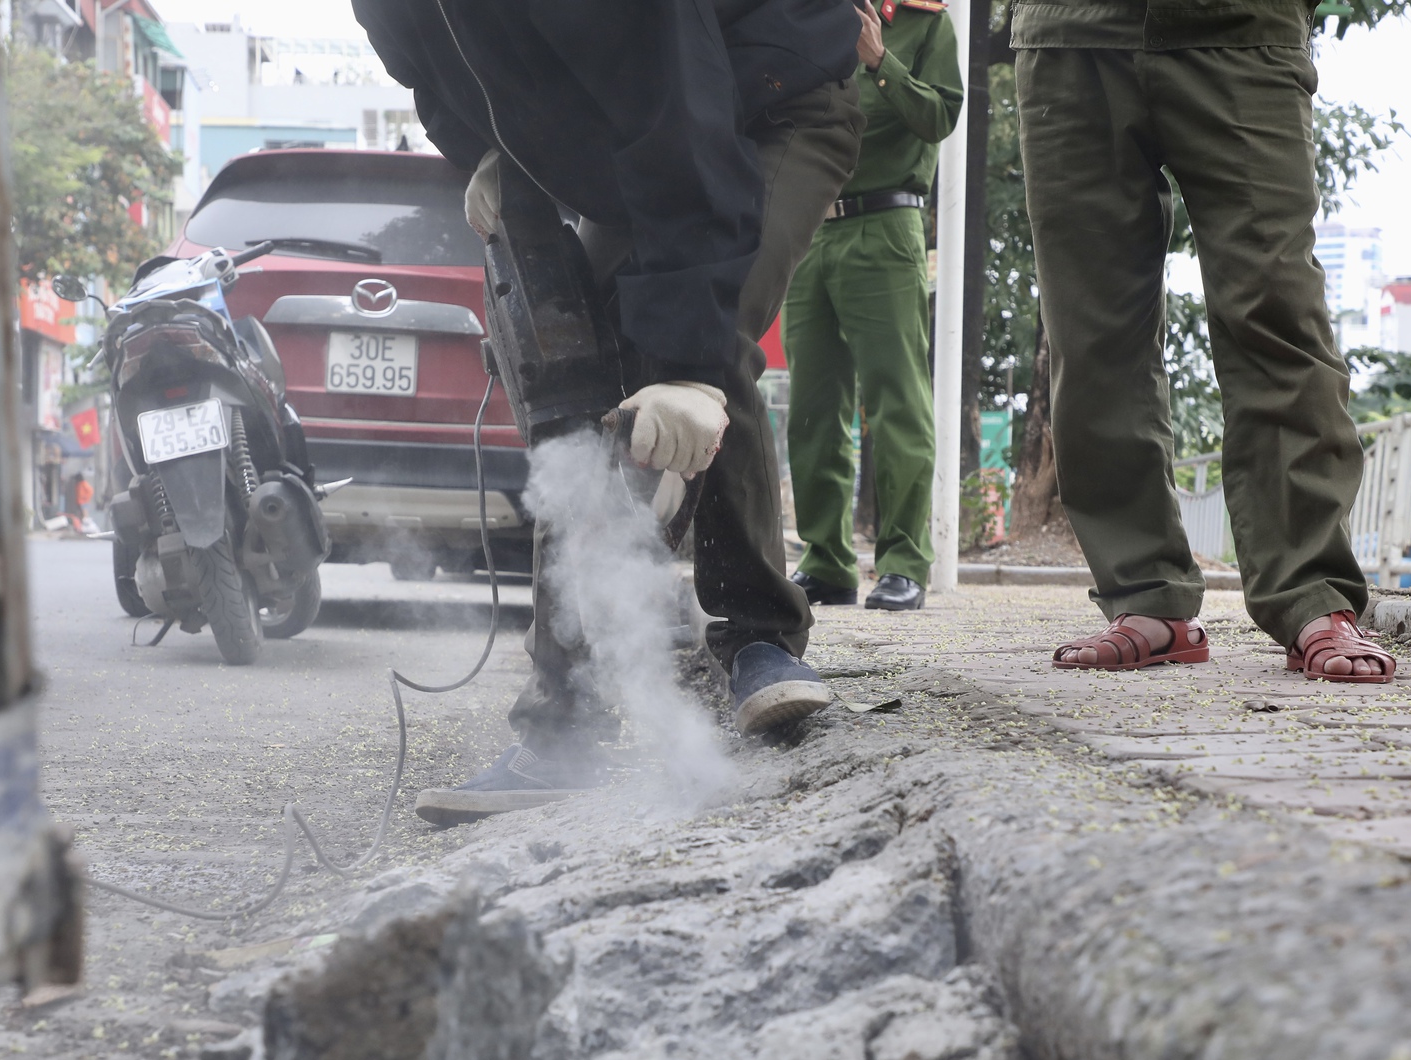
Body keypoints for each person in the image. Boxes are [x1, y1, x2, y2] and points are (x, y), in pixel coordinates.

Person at [346, 0, 867, 822]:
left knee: (704, 329)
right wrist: (486, 151)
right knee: (575, 383)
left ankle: (760, 635)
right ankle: (565, 725)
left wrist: (688, 370)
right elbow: (437, 77)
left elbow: (681, 115)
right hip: (640, 139)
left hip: (773, 96)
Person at [1015, 0, 1397, 683]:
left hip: (1240, 29)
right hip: (1071, 32)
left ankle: (1312, 594)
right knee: (1091, 329)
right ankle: (1145, 593)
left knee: (1277, 309)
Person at [784, 0, 963, 613]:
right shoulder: (807, 17)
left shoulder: (924, 23)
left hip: (886, 226)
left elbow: (939, 117)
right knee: (812, 406)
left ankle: (904, 563)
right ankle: (826, 562)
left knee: (898, 402)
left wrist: (881, 61)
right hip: (808, 229)